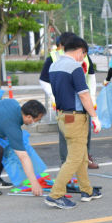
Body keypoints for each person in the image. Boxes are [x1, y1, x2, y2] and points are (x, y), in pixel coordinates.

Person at [46, 36, 103, 209]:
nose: (83, 58)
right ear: (79, 50)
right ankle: (55, 195)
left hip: (63, 116)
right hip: (76, 117)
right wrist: (94, 116)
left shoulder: (54, 65)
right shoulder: (75, 67)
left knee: (81, 156)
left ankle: (87, 190)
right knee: (75, 158)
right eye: (84, 54)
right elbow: (84, 95)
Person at [39, 32, 100, 169]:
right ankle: (66, 164)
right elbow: (44, 81)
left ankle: (84, 159)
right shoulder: (54, 59)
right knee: (67, 135)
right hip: (69, 108)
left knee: (85, 134)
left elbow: (91, 78)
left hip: (83, 105)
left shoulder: (82, 57)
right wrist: (54, 96)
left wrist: (92, 99)